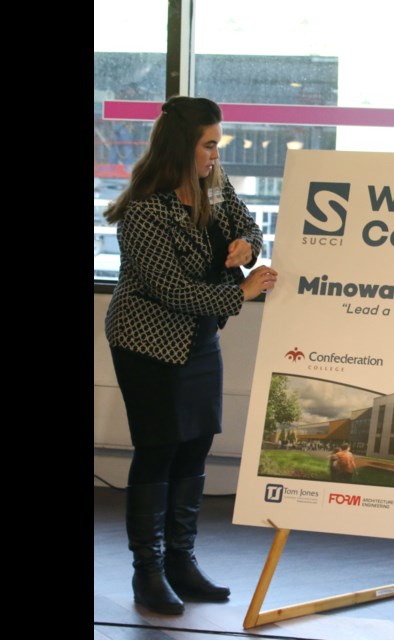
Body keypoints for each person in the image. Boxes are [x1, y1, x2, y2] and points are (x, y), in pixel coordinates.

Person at [104, 96, 279, 615]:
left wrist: (247, 245)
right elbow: (172, 291)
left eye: (216, 144)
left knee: (196, 446)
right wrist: (241, 294)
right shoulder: (143, 210)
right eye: (208, 144)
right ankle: (148, 571)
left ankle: (181, 560)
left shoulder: (214, 186)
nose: (215, 154)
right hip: (148, 341)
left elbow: (251, 224)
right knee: (159, 449)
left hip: (200, 339)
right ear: (183, 146)